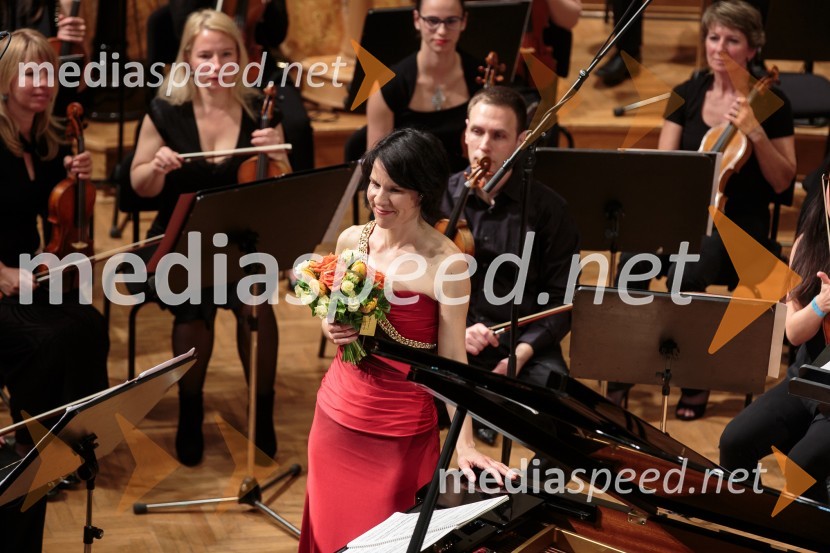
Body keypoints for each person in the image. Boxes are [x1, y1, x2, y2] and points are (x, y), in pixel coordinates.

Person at [299, 128, 516, 552]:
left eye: (395, 189)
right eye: (374, 184)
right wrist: (328, 325)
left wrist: (465, 444)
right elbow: (336, 317)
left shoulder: (447, 264)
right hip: (334, 418)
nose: (379, 198)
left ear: (422, 193)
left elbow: (454, 360)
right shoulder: (351, 241)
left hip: (400, 431)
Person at [609, 0, 796, 419]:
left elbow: (785, 180)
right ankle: (619, 372)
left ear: (752, 49)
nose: (720, 47)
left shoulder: (772, 103)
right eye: (713, 37)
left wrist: (756, 134)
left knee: (687, 273)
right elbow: (665, 170)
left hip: (738, 226)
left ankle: (693, 376)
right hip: (683, 216)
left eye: (732, 39)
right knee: (630, 266)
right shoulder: (687, 94)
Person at [130, 9, 289, 466]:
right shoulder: (165, 110)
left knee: (256, 302)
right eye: (205, 55)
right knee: (193, 306)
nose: (216, 64)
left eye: (226, 54)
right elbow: (139, 185)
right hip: (180, 242)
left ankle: (262, 410)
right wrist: (154, 167)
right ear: (187, 59)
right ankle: (189, 411)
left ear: (240, 57)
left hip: (240, 241)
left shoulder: (260, 109)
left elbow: (284, 184)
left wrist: (278, 155)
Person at [0, 28, 109, 553]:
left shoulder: (47, 141)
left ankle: (75, 439)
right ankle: (33, 443)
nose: (43, 83)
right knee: (50, 340)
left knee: (87, 322)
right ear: (4, 81)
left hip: (32, 274)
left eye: (48, 71)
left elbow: (59, 209)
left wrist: (75, 174)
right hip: (1, 282)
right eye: (29, 72)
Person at [439, 86, 579, 444]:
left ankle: (533, 496)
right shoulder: (438, 200)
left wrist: (519, 355)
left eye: (499, 136)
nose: (484, 146)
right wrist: (458, 330)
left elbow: (562, 299)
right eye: (478, 132)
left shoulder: (550, 210)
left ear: (522, 140)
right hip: (450, 338)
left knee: (565, 425)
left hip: (523, 343)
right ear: (465, 131)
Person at [719, 180, 830, 504]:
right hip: (805, 382)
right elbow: (794, 332)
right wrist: (820, 305)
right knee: (735, 441)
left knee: (801, 465)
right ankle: (749, 531)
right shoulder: (805, 245)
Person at [146, 0, 314, 171]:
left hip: (255, 61)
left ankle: (301, 188)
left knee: (297, 123)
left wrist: (268, 7)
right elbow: (182, 24)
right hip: (202, 63)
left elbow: (276, 35)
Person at [346, 0, 481, 172]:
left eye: (451, 21)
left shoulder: (479, 76)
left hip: (462, 186)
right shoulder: (387, 86)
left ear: (464, 21)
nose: (442, 31)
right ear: (417, 20)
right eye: (432, 21)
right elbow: (377, 169)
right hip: (409, 187)